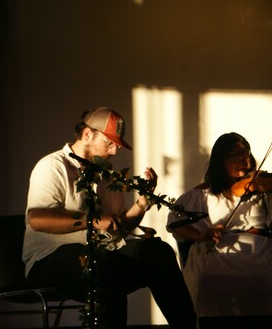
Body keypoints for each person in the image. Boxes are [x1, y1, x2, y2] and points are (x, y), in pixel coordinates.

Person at [22, 106, 197, 329]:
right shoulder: (53, 167)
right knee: (104, 268)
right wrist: (92, 220)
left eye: (117, 145)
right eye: (109, 143)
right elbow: (38, 219)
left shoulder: (104, 176)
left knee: (157, 252)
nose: (114, 151)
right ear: (87, 134)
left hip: (104, 255)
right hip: (49, 260)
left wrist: (142, 203)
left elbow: (118, 228)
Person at [166, 132, 272, 317]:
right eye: (234, 155)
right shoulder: (203, 193)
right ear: (220, 161)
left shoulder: (263, 188)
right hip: (216, 252)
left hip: (260, 252)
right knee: (208, 280)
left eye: (245, 152)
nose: (242, 159)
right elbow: (176, 222)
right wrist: (201, 235)